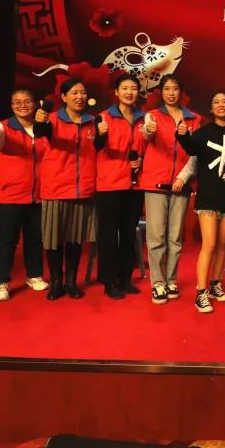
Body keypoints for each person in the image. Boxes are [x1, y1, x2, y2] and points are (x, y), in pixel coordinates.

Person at [33, 78, 98, 300]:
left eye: (83, 92)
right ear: (63, 97)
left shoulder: (93, 122)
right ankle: (56, 282)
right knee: (53, 239)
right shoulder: (52, 119)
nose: (79, 97)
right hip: (56, 188)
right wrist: (40, 120)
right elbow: (40, 131)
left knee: (75, 239)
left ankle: (71, 281)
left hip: (82, 189)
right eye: (74, 93)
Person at [0, 87, 49, 301]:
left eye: (27, 101)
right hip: (8, 194)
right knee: (6, 240)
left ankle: (35, 275)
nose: (22, 106)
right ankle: (1, 283)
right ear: (11, 106)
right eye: (17, 102)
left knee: (35, 238)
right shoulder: (3, 127)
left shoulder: (43, 127)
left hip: (38, 194)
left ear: (35, 104)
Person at [141, 74, 201, 307]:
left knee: (175, 236)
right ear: (161, 92)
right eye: (167, 89)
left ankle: (171, 280)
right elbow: (146, 136)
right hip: (155, 183)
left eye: (175, 88)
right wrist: (148, 130)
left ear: (180, 92)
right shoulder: (152, 116)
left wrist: (183, 177)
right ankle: (158, 283)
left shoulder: (193, 118)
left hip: (181, 184)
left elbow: (195, 153)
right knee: (156, 236)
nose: (171, 93)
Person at [178, 91, 225, 312]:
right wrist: (182, 135)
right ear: (211, 109)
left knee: (223, 244)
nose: (221, 105)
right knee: (210, 244)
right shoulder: (203, 134)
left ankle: (215, 285)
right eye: (216, 102)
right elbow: (190, 148)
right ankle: (201, 293)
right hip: (208, 198)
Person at [94, 74, 146, 300]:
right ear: (116, 92)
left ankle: (125, 278)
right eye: (125, 88)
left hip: (135, 186)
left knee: (128, 234)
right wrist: (100, 135)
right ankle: (108, 281)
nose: (129, 92)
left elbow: (149, 148)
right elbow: (95, 146)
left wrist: (141, 159)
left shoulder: (144, 119)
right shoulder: (103, 117)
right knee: (108, 235)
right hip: (109, 185)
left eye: (133, 88)